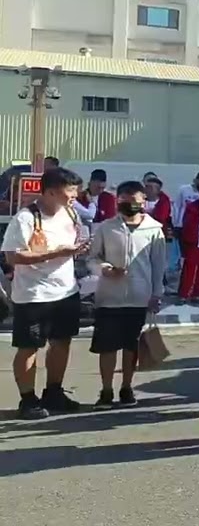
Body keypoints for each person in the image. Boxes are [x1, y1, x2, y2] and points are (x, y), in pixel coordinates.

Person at [1, 167, 88, 419]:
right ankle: (28, 399)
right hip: (33, 295)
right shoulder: (26, 218)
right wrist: (56, 253)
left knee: (62, 342)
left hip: (66, 290)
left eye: (75, 189)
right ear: (50, 192)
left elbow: (74, 242)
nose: (75, 195)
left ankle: (54, 391)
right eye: (70, 190)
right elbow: (13, 256)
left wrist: (79, 249)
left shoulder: (70, 213)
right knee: (29, 347)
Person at [85, 180, 165, 409]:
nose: (131, 205)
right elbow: (92, 258)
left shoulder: (154, 229)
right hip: (109, 297)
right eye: (125, 201)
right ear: (118, 201)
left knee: (132, 346)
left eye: (136, 201)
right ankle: (106, 390)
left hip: (140, 297)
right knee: (107, 346)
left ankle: (126, 387)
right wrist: (105, 269)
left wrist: (156, 294)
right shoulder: (106, 228)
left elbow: (158, 266)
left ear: (144, 202)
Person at [74, 169, 117, 234]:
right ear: (89, 184)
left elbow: (110, 218)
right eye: (97, 188)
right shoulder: (80, 197)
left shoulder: (109, 198)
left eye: (102, 188)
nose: (100, 191)